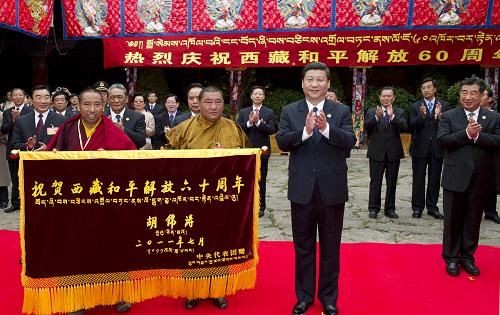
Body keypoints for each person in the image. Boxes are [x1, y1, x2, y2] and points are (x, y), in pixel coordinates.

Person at [276, 62, 356, 315]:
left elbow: (350, 142)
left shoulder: (341, 110)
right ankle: (304, 296)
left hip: (331, 189)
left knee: (331, 248)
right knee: (303, 246)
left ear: (327, 83)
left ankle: (329, 298)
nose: (314, 84)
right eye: (309, 79)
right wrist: (306, 131)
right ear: (302, 83)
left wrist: (326, 129)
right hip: (302, 190)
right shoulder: (290, 111)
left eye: (319, 79)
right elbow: (281, 141)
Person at [46, 88, 135, 314]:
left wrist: (111, 159)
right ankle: (78, 297)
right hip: (75, 202)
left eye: (97, 104)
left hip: (106, 202)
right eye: (87, 104)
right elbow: (52, 159)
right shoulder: (67, 128)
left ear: (103, 105)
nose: (92, 109)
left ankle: (117, 293)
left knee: (111, 248)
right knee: (77, 250)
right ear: (78, 105)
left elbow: (132, 159)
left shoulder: (112, 130)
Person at [165, 86, 249, 310]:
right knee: (193, 245)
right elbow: (167, 162)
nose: (213, 107)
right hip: (192, 199)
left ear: (224, 104)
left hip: (224, 200)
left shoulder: (234, 129)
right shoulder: (182, 129)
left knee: (220, 245)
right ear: (198, 104)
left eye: (218, 102)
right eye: (208, 102)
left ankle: (218, 289)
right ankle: (193, 290)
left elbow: (248, 161)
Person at [437, 76, 500, 277]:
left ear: (482, 95)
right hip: (455, 175)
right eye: (465, 92)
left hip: (481, 176)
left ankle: (467, 257)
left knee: (473, 220)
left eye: (473, 92)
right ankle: (451, 258)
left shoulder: (492, 118)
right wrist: (466, 133)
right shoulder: (449, 116)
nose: (468, 96)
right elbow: (443, 141)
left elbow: (498, 142)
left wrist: (478, 136)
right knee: (453, 220)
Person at [364, 86, 407, 219]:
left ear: (393, 98)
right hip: (376, 152)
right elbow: (367, 126)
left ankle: (390, 209)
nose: (386, 98)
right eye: (384, 96)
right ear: (380, 97)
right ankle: (373, 208)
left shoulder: (399, 112)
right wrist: (376, 118)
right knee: (375, 181)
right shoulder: (372, 111)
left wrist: (392, 116)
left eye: (389, 96)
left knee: (392, 182)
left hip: (393, 153)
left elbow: (405, 126)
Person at [409, 78, 448, 219]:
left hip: (437, 147)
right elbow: (411, 125)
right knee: (418, 179)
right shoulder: (416, 106)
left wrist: (438, 116)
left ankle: (432, 207)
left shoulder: (444, 105)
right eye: (423, 88)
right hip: (420, 147)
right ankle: (417, 208)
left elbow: (447, 126)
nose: (426, 90)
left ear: (434, 89)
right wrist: (422, 116)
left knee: (435, 178)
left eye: (429, 87)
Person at [237, 86, 276, 217]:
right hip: (246, 151)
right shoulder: (244, 112)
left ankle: (261, 206)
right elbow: (238, 128)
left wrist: (258, 122)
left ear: (263, 97)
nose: (258, 96)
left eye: (260, 94)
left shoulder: (269, 112)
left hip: (262, 151)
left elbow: (272, 129)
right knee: (245, 179)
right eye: (255, 94)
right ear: (251, 96)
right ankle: (246, 204)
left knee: (261, 179)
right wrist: (249, 122)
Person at [0, 88, 33, 213]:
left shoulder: (31, 110)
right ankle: (15, 203)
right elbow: (3, 130)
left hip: (27, 147)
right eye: (15, 95)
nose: (18, 97)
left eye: (20, 95)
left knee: (29, 176)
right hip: (13, 148)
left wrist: (20, 119)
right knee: (15, 178)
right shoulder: (8, 112)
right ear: (11, 97)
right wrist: (14, 120)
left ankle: (29, 202)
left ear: (24, 97)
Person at [479, 86, 500, 224]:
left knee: (492, 183)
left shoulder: (496, 117)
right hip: (474, 156)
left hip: (492, 155)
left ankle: (491, 212)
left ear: (490, 99)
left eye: (483, 95)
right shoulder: (469, 115)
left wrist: (479, 136)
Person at [105, 83, 146, 149]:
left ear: (126, 99)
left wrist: (123, 130)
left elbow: (141, 142)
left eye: (120, 97)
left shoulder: (138, 117)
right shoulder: (101, 116)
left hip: (129, 157)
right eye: (112, 97)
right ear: (107, 100)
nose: (116, 101)